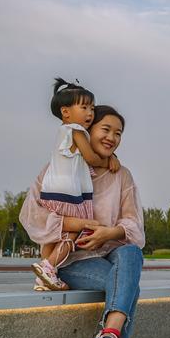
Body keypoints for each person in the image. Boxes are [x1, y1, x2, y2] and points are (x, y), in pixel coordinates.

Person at [19, 106, 159, 338]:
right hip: (73, 260)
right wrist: (81, 225)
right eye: (105, 129)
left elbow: (135, 227)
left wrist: (109, 233)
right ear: (88, 130)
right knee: (127, 286)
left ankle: (109, 335)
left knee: (132, 252)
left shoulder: (122, 175)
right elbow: (32, 215)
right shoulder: (60, 167)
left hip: (114, 253)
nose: (111, 138)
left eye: (118, 133)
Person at [32, 78, 119, 290]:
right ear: (66, 112)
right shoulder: (76, 132)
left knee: (58, 234)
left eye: (91, 107)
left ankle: (43, 279)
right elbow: (91, 157)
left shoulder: (64, 131)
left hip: (54, 190)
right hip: (67, 192)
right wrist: (109, 160)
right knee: (73, 233)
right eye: (84, 107)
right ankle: (49, 267)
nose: (90, 112)